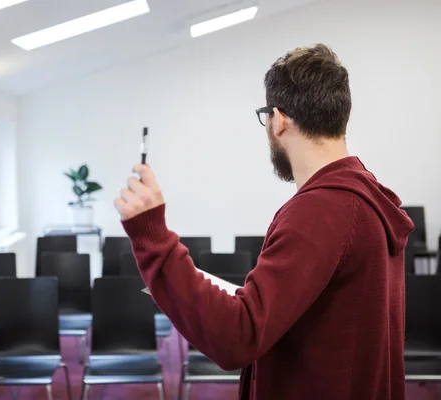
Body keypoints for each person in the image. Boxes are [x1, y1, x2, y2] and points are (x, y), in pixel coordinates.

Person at [114, 44, 414, 400]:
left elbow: (238, 337)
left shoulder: (322, 210)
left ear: (279, 119)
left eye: (265, 117)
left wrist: (153, 237)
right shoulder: (363, 194)